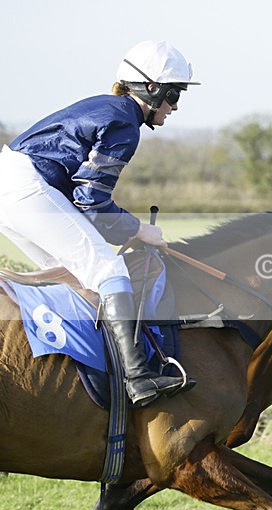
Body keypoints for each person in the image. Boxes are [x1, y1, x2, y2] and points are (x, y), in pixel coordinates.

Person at [0, 40, 199, 407]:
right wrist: (140, 230)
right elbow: (92, 203)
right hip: (28, 188)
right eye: (173, 94)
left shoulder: (109, 108)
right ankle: (139, 378)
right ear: (150, 88)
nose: (175, 106)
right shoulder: (125, 122)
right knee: (109, 271)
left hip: (12, 188)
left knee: (75, 277)